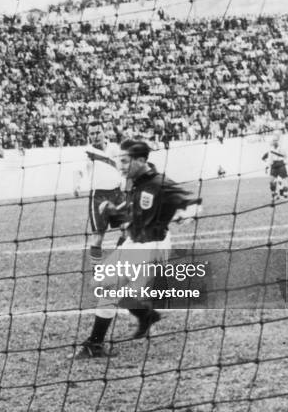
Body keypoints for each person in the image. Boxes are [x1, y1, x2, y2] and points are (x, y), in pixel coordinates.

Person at [73, 139, 202, 358]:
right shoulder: (135, 182)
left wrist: (184, 215)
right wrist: (115, 210)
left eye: (124, 161)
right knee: (104, 285)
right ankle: (145, 316)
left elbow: (194, 204)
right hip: (135, 242)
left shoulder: (160, 183)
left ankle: (95, 343)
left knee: (112, 288)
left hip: (153, 246)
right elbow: (135, 210)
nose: (120, 166)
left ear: (141, 160)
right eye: (119, 161)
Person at [73, 124, 126, 269]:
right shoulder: (86, 152)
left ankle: (118, 263)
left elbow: (124, 164)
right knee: (98, 237)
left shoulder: (114, 148)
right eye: (92, 133)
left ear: (104, 132)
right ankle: (98, 273)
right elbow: (78, 171)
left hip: (118, 195)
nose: (95, 135)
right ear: (88, 135)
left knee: (128, 230)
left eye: (98, 132)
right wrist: (76, 185)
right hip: (99, 197)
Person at [261, 133, 288, 201]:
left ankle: (285, 195)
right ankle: (275, 195)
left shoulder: (282, 148)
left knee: (284, 181)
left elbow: (286, 157)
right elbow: (270, 159)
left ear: (278, 141)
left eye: (276, 140)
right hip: (274, 165)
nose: (275, 142)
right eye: (274, 140)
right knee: (271, 181)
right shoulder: (270, 149)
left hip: (281, 164)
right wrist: (267, 167)